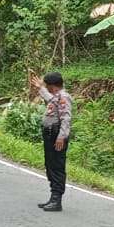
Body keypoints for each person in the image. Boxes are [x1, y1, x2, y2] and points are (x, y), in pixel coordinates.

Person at [29, 71, 72, 212]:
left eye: (47, 85)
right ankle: (53, 197)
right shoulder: (57, 97)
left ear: (53, 86)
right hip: (50, 134)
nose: (46, 87)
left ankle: (56, 200)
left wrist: (61, 137)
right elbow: (50, 100)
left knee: (57, 166)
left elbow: (66, 118)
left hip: (56, 135)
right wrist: (40, 88)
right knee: (50, 165)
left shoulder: (64, 97)